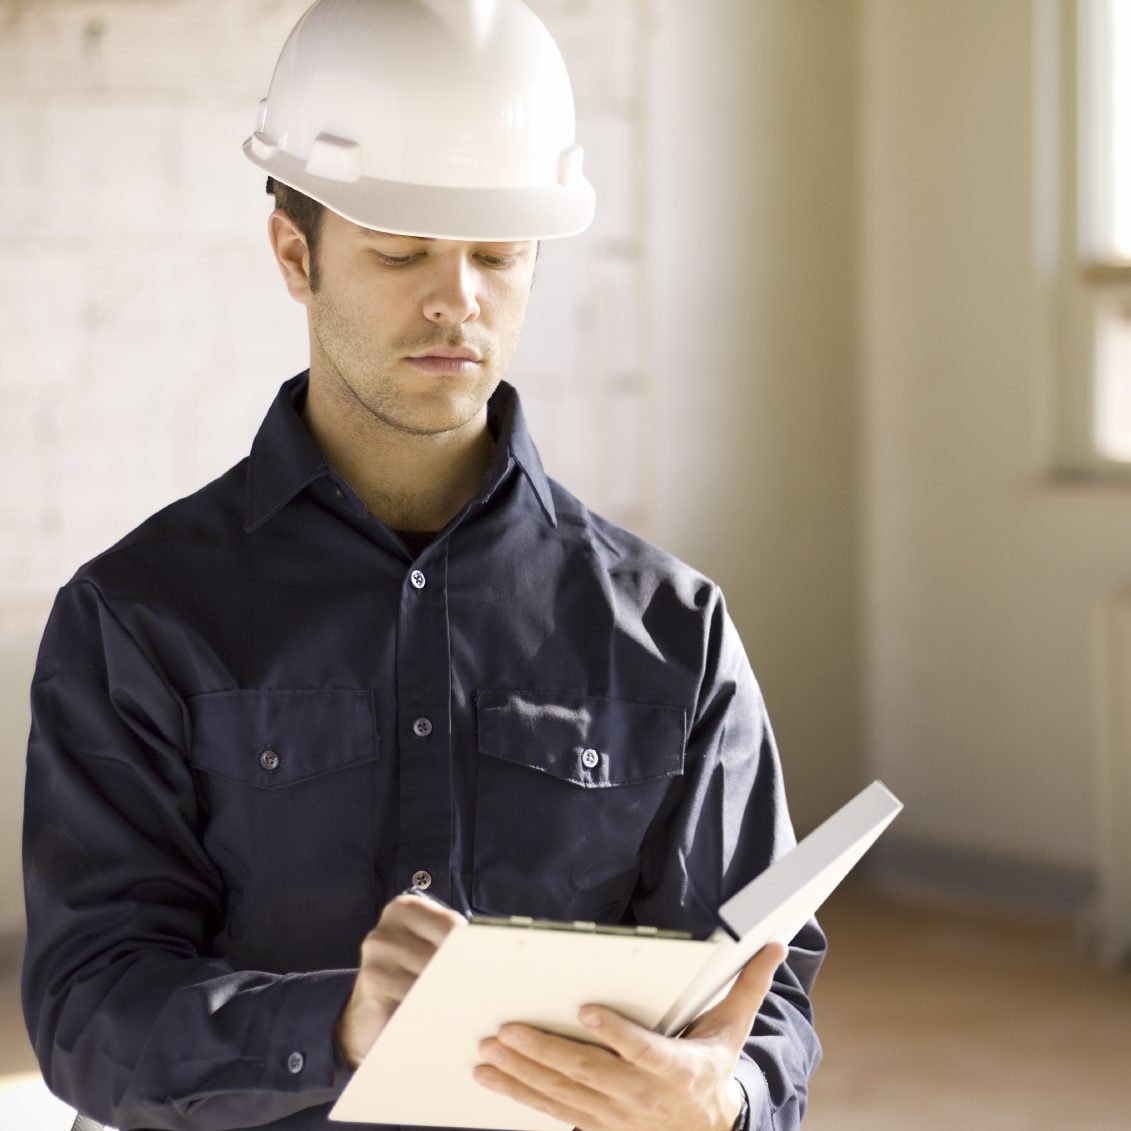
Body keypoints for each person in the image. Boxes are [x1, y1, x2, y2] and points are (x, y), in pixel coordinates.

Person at [21, 1, 825, 1129]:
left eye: (499, 255)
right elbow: (85, 1005)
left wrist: (728, 1094)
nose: (460, 300)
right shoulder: (137, 618)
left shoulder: (673, 633)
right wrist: (334, 1024)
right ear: (294, 253)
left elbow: (762, 982)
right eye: (401, 254)